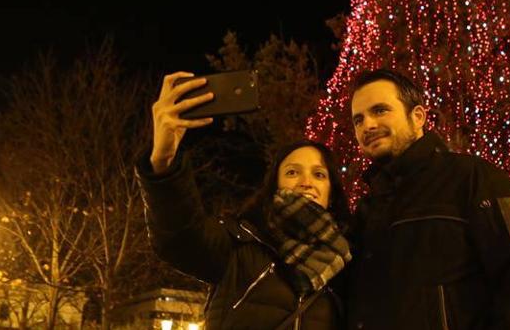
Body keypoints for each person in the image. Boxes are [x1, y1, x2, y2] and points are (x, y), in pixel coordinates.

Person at [345, 69, 510, 329]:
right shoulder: (368, 209)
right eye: (358, 119)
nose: (367, 125)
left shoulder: (473, 178)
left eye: (380, 110)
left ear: (418, 117)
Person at [136, 72, 352, 330]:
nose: (306, 181)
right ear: (274, 186)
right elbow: (179, 238)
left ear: (331, 193)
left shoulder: (345, 265)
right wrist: (163, 160)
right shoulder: (239, 244)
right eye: (292, 172)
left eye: (319, 174)